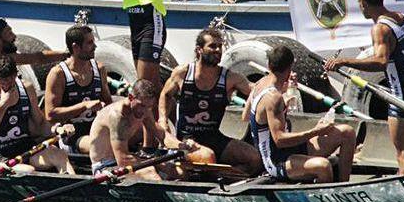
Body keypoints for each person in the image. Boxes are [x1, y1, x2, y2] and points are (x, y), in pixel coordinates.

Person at [325, 0, 404, 175]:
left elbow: (381, 61)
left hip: (403, 97)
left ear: (362, 3)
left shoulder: (380, 29)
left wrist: (343, 62)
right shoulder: (403, 18)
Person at [247, 44, 356, 183]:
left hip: (291, 149)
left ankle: (343, 187)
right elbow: (279, 140)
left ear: (269, 65)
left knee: (347, 132)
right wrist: (315, 131)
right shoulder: (273, 98)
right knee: (323, 166)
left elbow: (246, 117)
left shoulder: (260, 83)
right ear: (290, 67)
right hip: (276, 160)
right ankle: (325, 199)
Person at [159, 28, 260, 175]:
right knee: (208, 157)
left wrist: (281, 84)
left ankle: (220, 175)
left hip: (214, 138)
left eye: (220, 46)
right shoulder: (183, 73)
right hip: (187, 140)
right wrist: (163, 120)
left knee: (255, 159)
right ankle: (212, 172)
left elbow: (256, 90)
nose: (218, 50)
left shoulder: (230, 78)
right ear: (199, 50)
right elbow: (166, 95)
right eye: (212, 46)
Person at [0, 18, 66, 135]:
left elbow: (38, 58)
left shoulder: (8, 58)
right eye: (9, 33)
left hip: (6, 114)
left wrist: (66, 54)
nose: (14, 37)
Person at [0, 56, 77, 173]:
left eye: (10, 81)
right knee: (28, 171)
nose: (6, 86)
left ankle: (77, 188)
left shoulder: (26, 88)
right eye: (2, 81)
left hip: (27, 149)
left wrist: (58, 129)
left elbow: (40, 124)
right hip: (2, 155)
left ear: (16, 74)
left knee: (59, 154)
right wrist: (2, 105)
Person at [88, 78, 187, 180]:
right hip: (105, 166)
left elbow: (162, 135)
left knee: (179, 172)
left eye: (149, 106)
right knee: (151, 173)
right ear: (131, 97)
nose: (144, 111)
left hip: (127, 158)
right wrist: (158, 164)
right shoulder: (118, 117)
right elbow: (123, 160)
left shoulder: (145, 110)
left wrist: (182, 146)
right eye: (142, 105)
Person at [44, 24, 113, 154]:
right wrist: (84, 106)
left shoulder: (99, 69)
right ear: (75, 47)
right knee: (103, 145)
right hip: (72, 134)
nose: (95, 46)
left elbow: (108, 103)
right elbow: (50, 115)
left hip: (97, 128)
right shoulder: (58, 74)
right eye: (90, 43)